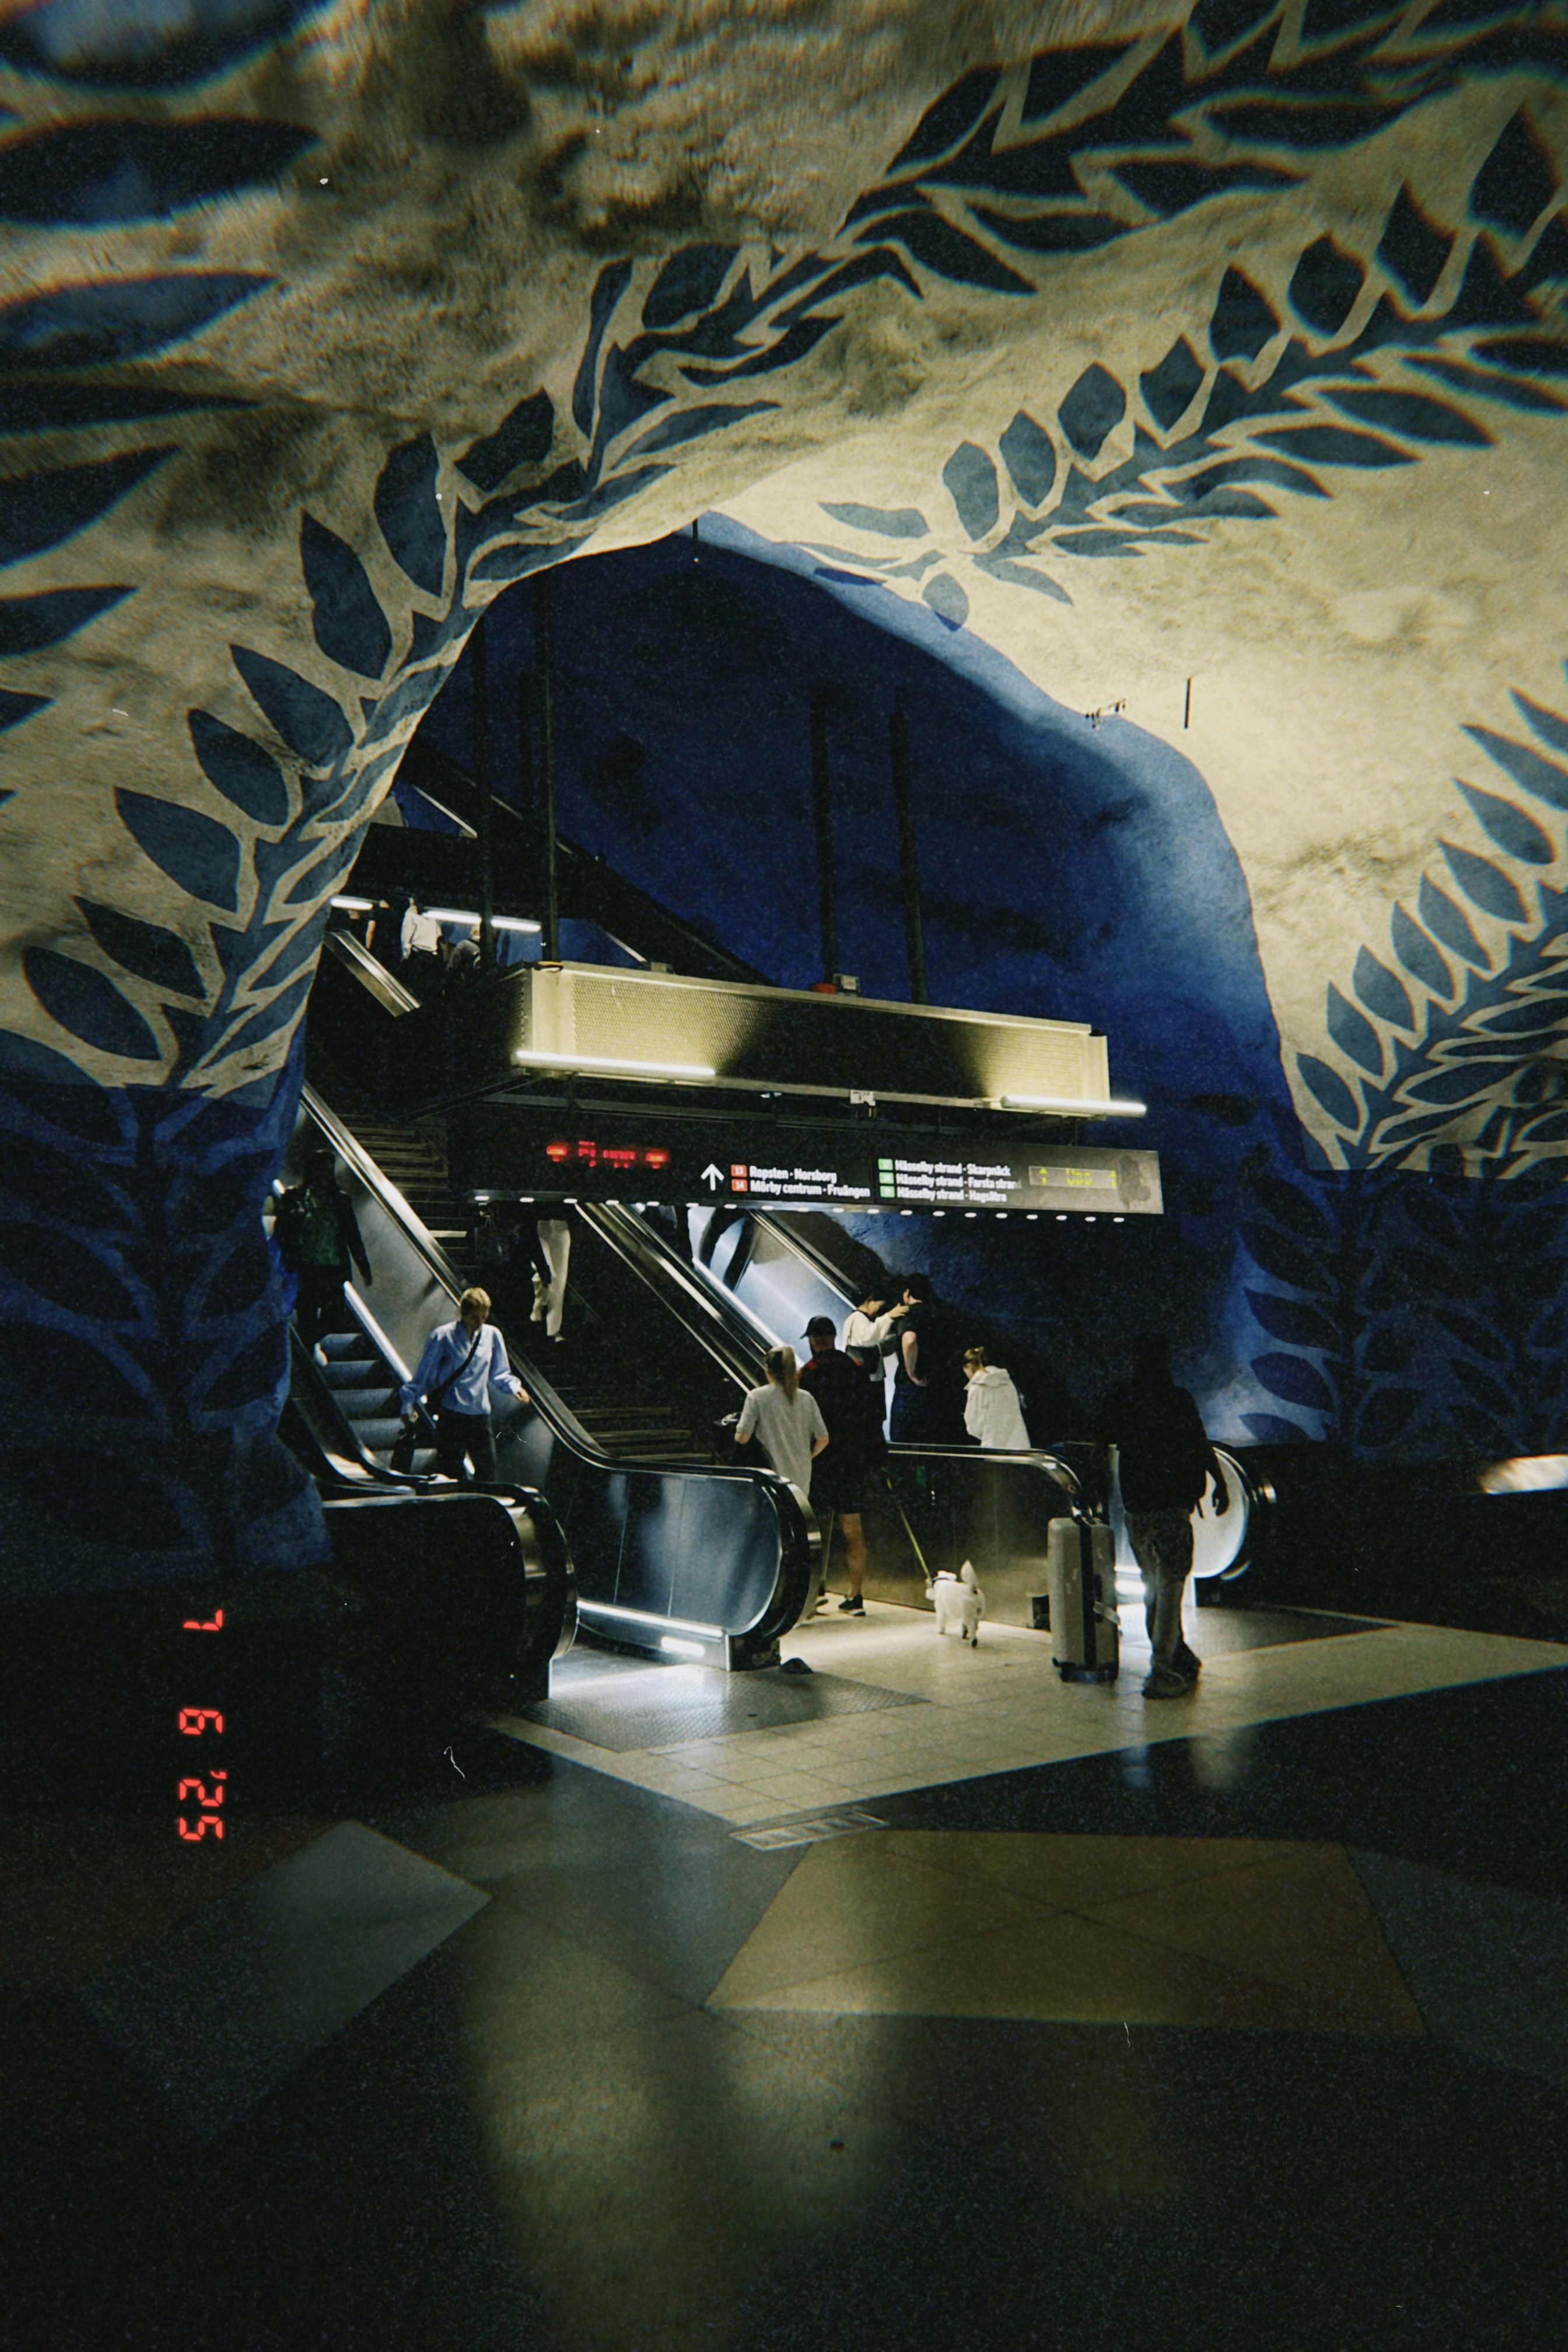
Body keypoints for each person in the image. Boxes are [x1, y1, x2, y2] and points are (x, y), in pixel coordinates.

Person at [1096, 1332, 1229, 1700]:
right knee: (1170, 1585)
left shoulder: (1122, 1399)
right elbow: (1199, 1443)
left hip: (1137, 1507)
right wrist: (1220, 1482)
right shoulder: (1177, 1399)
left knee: (1154, 1581)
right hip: (1172, 1505)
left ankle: (1178, 1652)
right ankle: (1162, 1668)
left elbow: (1099, 1440)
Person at [799, 1315, 887, 1616]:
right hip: (854, 1461)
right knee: (853, 1528)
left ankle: (815, 1591)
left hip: (821, 1461)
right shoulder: (856, 1369)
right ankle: (855, 1596)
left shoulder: (807, 1374)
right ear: (834, 1337)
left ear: (813, 1340)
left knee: (817, 1528)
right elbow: (873, 1414)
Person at [399, 1285, 529, 1483]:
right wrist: (408, 1403)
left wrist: (514, 1387)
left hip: (479, 1414)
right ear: (464, 1313)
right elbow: (424, 1376)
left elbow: (499, 1372)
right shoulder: (443, 1337)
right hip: (452, 1414)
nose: (480, 1323)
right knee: (451, 1472)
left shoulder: (492, 1335)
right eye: (475, 1317)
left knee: (487, 1471)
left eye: (484, 1317)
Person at [274, 1143, 372, 1353]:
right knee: (307, 1314)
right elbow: (280, 1231)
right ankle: (306, 1353)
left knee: (334, 1317)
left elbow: (352, 1235)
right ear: (311, 1170)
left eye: (328, 1170)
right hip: (305, 1268)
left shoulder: (340, 1200)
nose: (324, 1174)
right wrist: (294, 1217)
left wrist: (364, 1266)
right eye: (320, 1169)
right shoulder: (295, 1197)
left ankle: (305, 1344)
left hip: (333, 1268)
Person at [735, 1344, 828, 1507]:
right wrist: (807, 1456)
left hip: (769, 1478)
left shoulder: (757, 1397)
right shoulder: (807, 1399)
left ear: (768, 1370)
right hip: (801, 1479)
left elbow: (743, 1438)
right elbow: (823, 1438)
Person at [889, 1272, 968, 1445]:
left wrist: (911, 1373)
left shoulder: (909, 1314)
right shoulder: (944, 1314)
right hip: (940, 1386)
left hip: (912, 1390)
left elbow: (910, 1340)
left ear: (907, 1293)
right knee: (935, 1443)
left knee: (907, 1444)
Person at [841, 1291, 907, 1420]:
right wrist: (888, 1317)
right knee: (871, 1418)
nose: (879, 1311)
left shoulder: (860, 1318)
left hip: (867, 1378)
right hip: (866, 1380)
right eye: (879, 1306)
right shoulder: (858, 1318)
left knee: (872, 1417)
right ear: (870, 1300)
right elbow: (868, 1338)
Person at [963, 1346, 1032, 1450]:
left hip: (994, 1448)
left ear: (968, 1366)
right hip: (1020, 1446)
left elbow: (974, 1426)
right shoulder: (1007, 1381)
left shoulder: (978, 1387)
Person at [399, 897, 444, 999]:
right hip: (432, 957)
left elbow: (406, 939)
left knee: (414, 989)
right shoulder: (434, 918)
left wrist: (405, 956)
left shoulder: (410, 916)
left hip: (417, 956)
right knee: (427, 989)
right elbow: (439, 934)